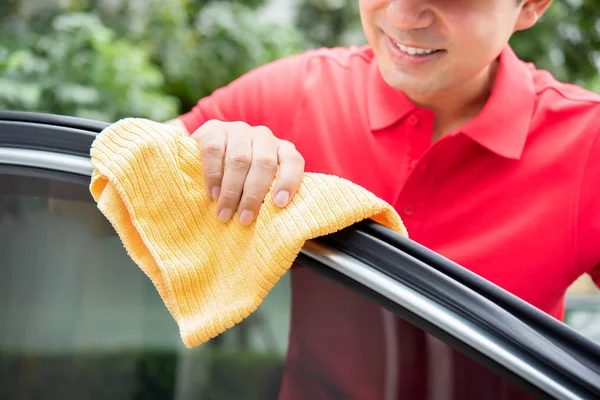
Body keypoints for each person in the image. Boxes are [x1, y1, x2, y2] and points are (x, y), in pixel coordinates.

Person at [167, 0, 600, 398]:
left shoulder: (586, 144)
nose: (404, 15)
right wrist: (208, 150)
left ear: (531, 6)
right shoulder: (296, 94)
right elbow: (117, 178)